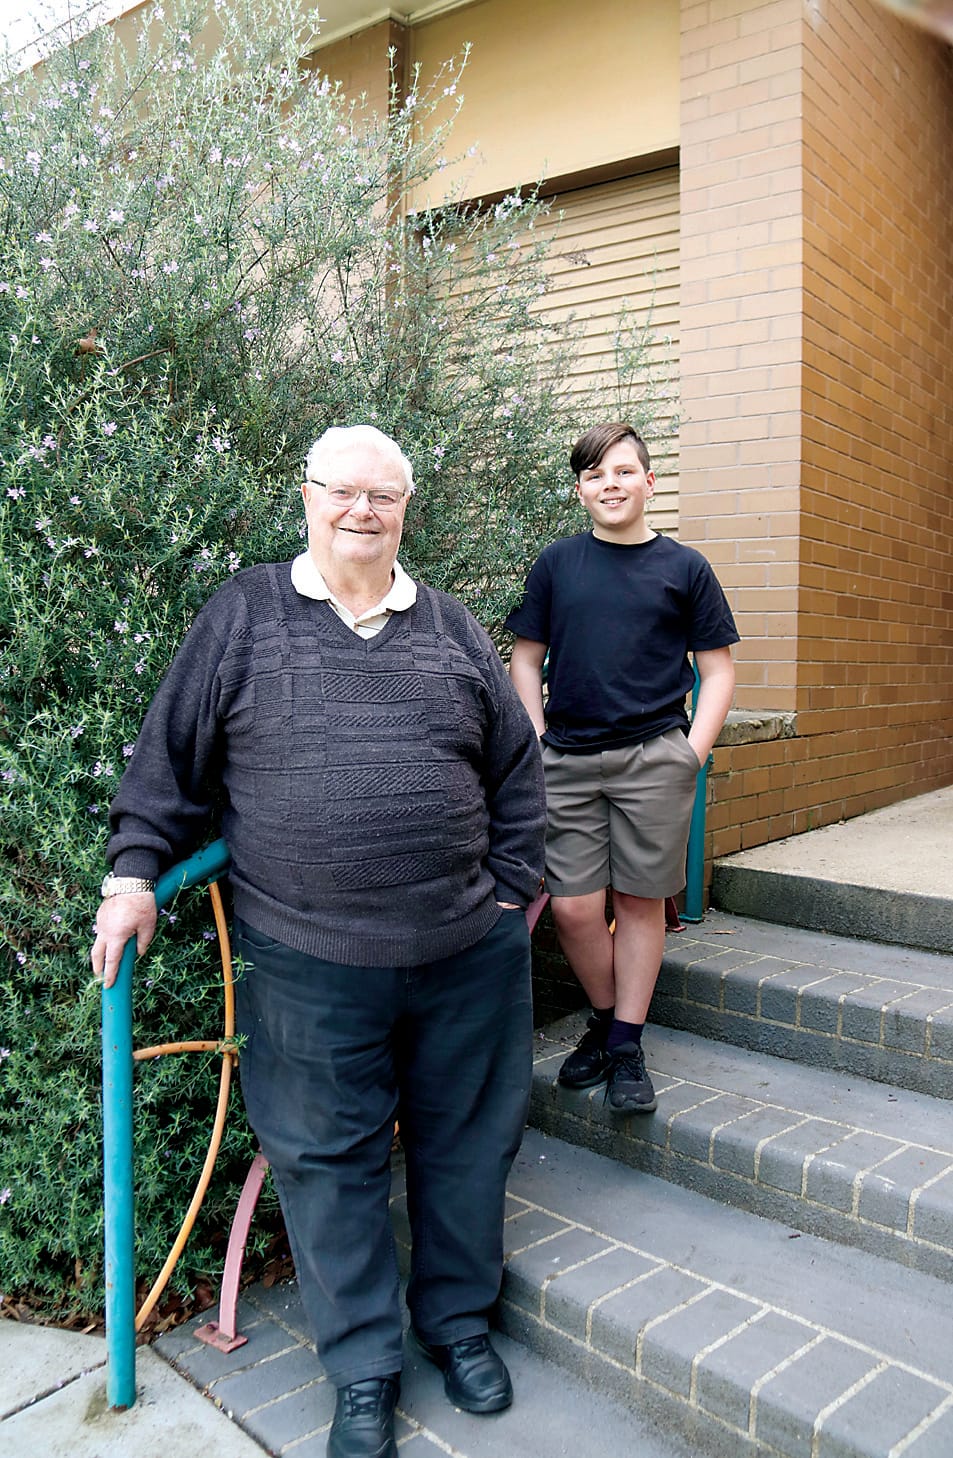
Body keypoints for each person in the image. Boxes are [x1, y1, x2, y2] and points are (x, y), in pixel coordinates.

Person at [91, 424, 545, 1458]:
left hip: (465, 956)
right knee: (325, 1165)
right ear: (306, 499)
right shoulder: (244, 616)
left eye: (383, 496)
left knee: (469, 1148)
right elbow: (168, 764)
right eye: (343, 492)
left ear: (404, 512)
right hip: (308, 965)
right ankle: (362, 1369)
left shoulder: (452, 628)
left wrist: (509, 899)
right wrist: (131, 878)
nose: (362, 512)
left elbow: (517, 776)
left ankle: (457, 1326)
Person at [506, 422, 738, 1115]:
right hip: (567, 760)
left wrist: (688, 755)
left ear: (648, 482)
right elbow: (523, 659)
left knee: (639, 903)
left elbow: (717, 670)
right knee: (575, 909)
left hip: (652, 759)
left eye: (622, 471)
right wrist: (538, 740)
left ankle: (625, 1044)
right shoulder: (557, 565)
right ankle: (606, 1021)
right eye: (594, 474)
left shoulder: (685, 569)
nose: (610, 484)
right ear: (580, 490)